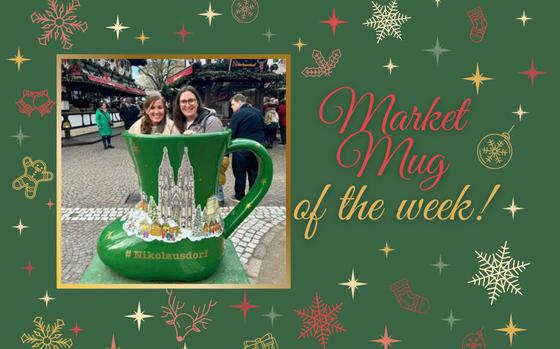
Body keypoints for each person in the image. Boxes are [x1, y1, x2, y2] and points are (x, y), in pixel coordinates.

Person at [171, 86, 228, 205]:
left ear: (198, 102)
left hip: (205, 180)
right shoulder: (179, 123)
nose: (188, 105)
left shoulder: (211, 121)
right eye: (183, 101)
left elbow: (215, 154)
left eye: (191, 100)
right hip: (186, 179)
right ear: (178, 104)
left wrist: (195, 142)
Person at [229, 93, 266, 201]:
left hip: (242, 148)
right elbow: (263, 127)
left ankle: (239, 196)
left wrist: (226, 152)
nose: (232, 107)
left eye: (233, 104)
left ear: (240, 102)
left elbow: (231, 132)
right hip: (257, 147)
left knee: (240, 173)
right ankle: (253, 195)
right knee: (254, 171)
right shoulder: (258, 112)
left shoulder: (238, 114)